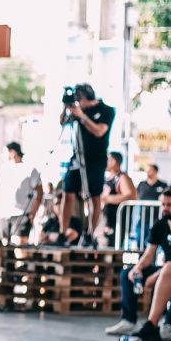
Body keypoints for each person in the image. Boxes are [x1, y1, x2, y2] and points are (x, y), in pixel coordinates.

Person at [106, 189, 171, 337]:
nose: (165, 208)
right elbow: (149, 254)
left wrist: (159, 274)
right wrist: (138, 268)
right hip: (166, 268)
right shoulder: (160, 225)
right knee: (127, 274)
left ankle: (170, 323)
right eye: (163, 204)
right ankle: (129, 320)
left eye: (169, 205)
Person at [60, 83, 114, 244]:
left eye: (79, 98)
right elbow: (63, 122)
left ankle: (90, 234)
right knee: (67, 192)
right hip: (77, 157)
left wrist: (82, 117)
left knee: (94, 197)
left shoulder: (106, 110)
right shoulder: (77, 110)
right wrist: (66, 107)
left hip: (96, 159)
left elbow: (99, 131)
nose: (78, 102)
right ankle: (63, 232)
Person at [0, 142, 42, 246]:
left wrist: (33, 212)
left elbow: (40, 192)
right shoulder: (2, 169)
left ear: (12, 152)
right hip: (3, 215)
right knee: (4, 247)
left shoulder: (29, 169)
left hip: (22, 214)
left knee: (20, 247)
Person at [100, 152, 137, 245]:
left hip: (117, 223)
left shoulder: (122, 177)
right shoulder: (107, 178)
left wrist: (107, 199)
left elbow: (131, 196)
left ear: (113, 161)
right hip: (105, 222)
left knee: (112, 247)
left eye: (107, 159)